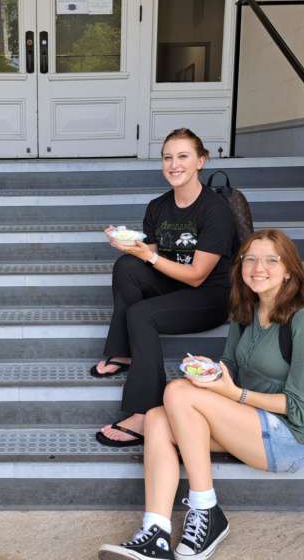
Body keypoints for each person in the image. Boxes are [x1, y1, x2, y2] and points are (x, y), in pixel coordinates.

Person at [98, 229, 304, 560]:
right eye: (250, 259)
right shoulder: (246, 310)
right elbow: (230, 365)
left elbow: (302, 408)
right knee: (157, 418)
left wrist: (234, 393)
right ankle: (156, 533)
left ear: (289, 270)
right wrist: (211, 372)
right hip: (249, 423)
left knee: (177, 392)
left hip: (290, 437)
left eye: (270, 261)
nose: (258, 268)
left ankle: (206, 509)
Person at [92, 128, 235, 447]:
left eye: (183, 156)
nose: (174, 164)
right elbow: (151, 261)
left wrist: (148, 256)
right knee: (126, 267)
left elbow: (197, 275)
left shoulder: (215, 210)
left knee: (142, 314)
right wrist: (131, 247)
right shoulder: (157, 206)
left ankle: (145, 412)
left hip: (209, 297)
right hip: (174, 285)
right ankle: (124, 351)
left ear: (201, 161)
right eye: (167, 157)